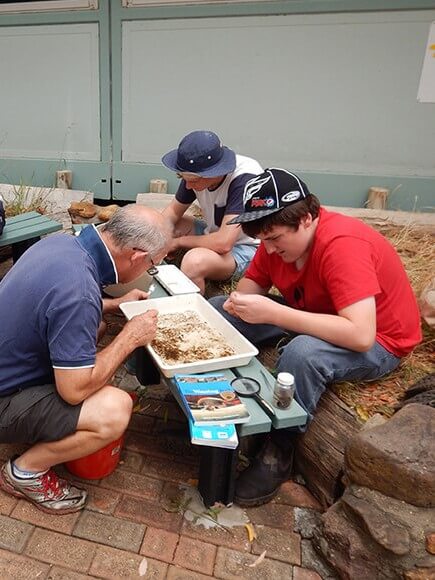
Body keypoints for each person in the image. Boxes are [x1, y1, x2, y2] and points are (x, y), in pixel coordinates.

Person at [209, 168, 422, 506]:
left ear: (307, 218)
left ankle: (279, 450)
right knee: (219, 308)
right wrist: (239, 304)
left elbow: (361, 334)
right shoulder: (274, 240)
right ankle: (224, 398)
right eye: (263, 239)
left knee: (302, 354)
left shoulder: (342, 245)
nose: (269, 247)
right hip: (319, 313)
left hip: (380, 338)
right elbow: (248, 292)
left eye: (276, 238)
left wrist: (275, 314)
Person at [0, 205, 170, 514]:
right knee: (114, 410)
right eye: (153, 264)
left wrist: (115, 304)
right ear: (136, 256)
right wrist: (130, 336)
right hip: (5, 399)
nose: (149, 270)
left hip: (9, 367)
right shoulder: (79, 291)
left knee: (98, 326)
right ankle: (25, 472)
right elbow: (74, 391)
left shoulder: (62, 243)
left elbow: (58, 302)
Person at [161, 130, 263, 293]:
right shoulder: (196, 173)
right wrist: (154, 240)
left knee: (194, 262)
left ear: (216, 171)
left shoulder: (245, 179)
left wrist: (178, 242)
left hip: (247, 248)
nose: (188, 186)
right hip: (216, 233)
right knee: (169, 226)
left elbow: (223, 243)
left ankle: (192, 312)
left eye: (193, 180)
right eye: (183, 178)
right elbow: (172, 213)